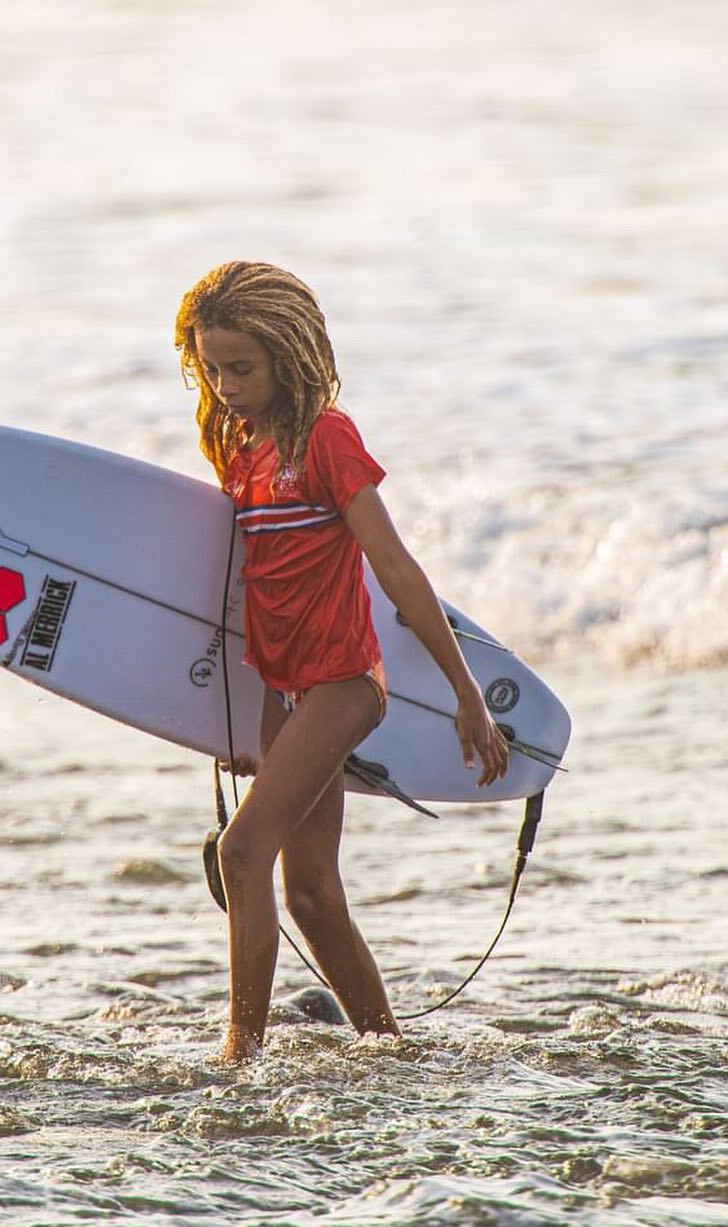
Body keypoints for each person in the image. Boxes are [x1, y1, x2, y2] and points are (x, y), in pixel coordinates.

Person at [174, 261, 510, 1064]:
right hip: (280, 689)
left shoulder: (326, 439)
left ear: (287, 359)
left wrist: (468, 695)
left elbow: (395, 569)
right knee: (313, 896)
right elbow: (247, 592)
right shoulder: (241, 448)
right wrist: (244, 729)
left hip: (340, 685)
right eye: (212, 367)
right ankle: (386, 1048)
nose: (225, 384)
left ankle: (239, 1051)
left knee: (241, 851)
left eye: (242, 368)